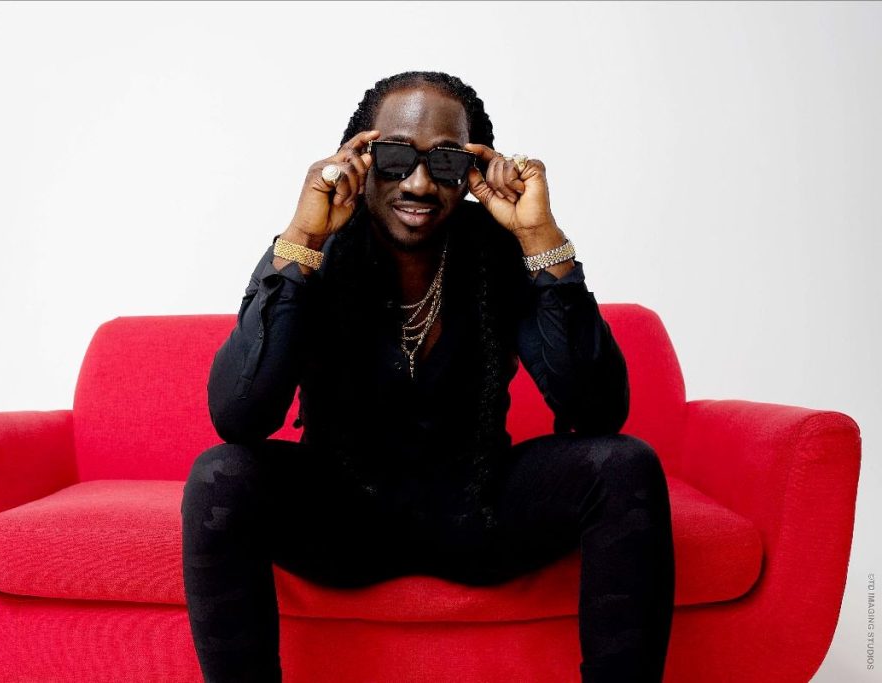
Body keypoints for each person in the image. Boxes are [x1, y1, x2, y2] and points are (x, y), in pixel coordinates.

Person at [181, 70, 675, 683]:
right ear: (359, 161)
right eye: (395, 157)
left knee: (625, 464)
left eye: (444, 162)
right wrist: (302, 237)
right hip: (343, 520)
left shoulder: (500, 249)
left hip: (479, 513)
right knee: (220, 475)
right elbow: (239, 415)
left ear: (471, 172)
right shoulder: (312, 250)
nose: (418, 183)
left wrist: (540, 238)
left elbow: (596, 411)